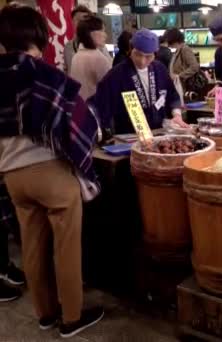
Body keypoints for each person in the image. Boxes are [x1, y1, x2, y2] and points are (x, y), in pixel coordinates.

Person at [0, 5, 104, 336]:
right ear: (42, 37)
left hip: (12, 176)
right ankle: (71, 318)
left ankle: (44, 314)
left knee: (31, 246)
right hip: (51, 174)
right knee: (66, 247)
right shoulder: (46, 76)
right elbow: (83, 125)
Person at [93, 29, 187, 134]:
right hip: (129, 135)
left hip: (159, 132)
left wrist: (177, 115)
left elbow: (172, 95)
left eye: (148, 56)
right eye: (138, 54)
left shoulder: (160, 69)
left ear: (155, 54)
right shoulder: (116, 74)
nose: (142, 61)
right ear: (131, 50)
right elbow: (101, 105)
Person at [70, 15, 111, 100]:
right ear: (91, 33)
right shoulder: (99, 58)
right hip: (96, 108)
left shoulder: (76, 56)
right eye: (102, 30)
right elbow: (110, 88)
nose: (105, 35)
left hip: (79, 107)